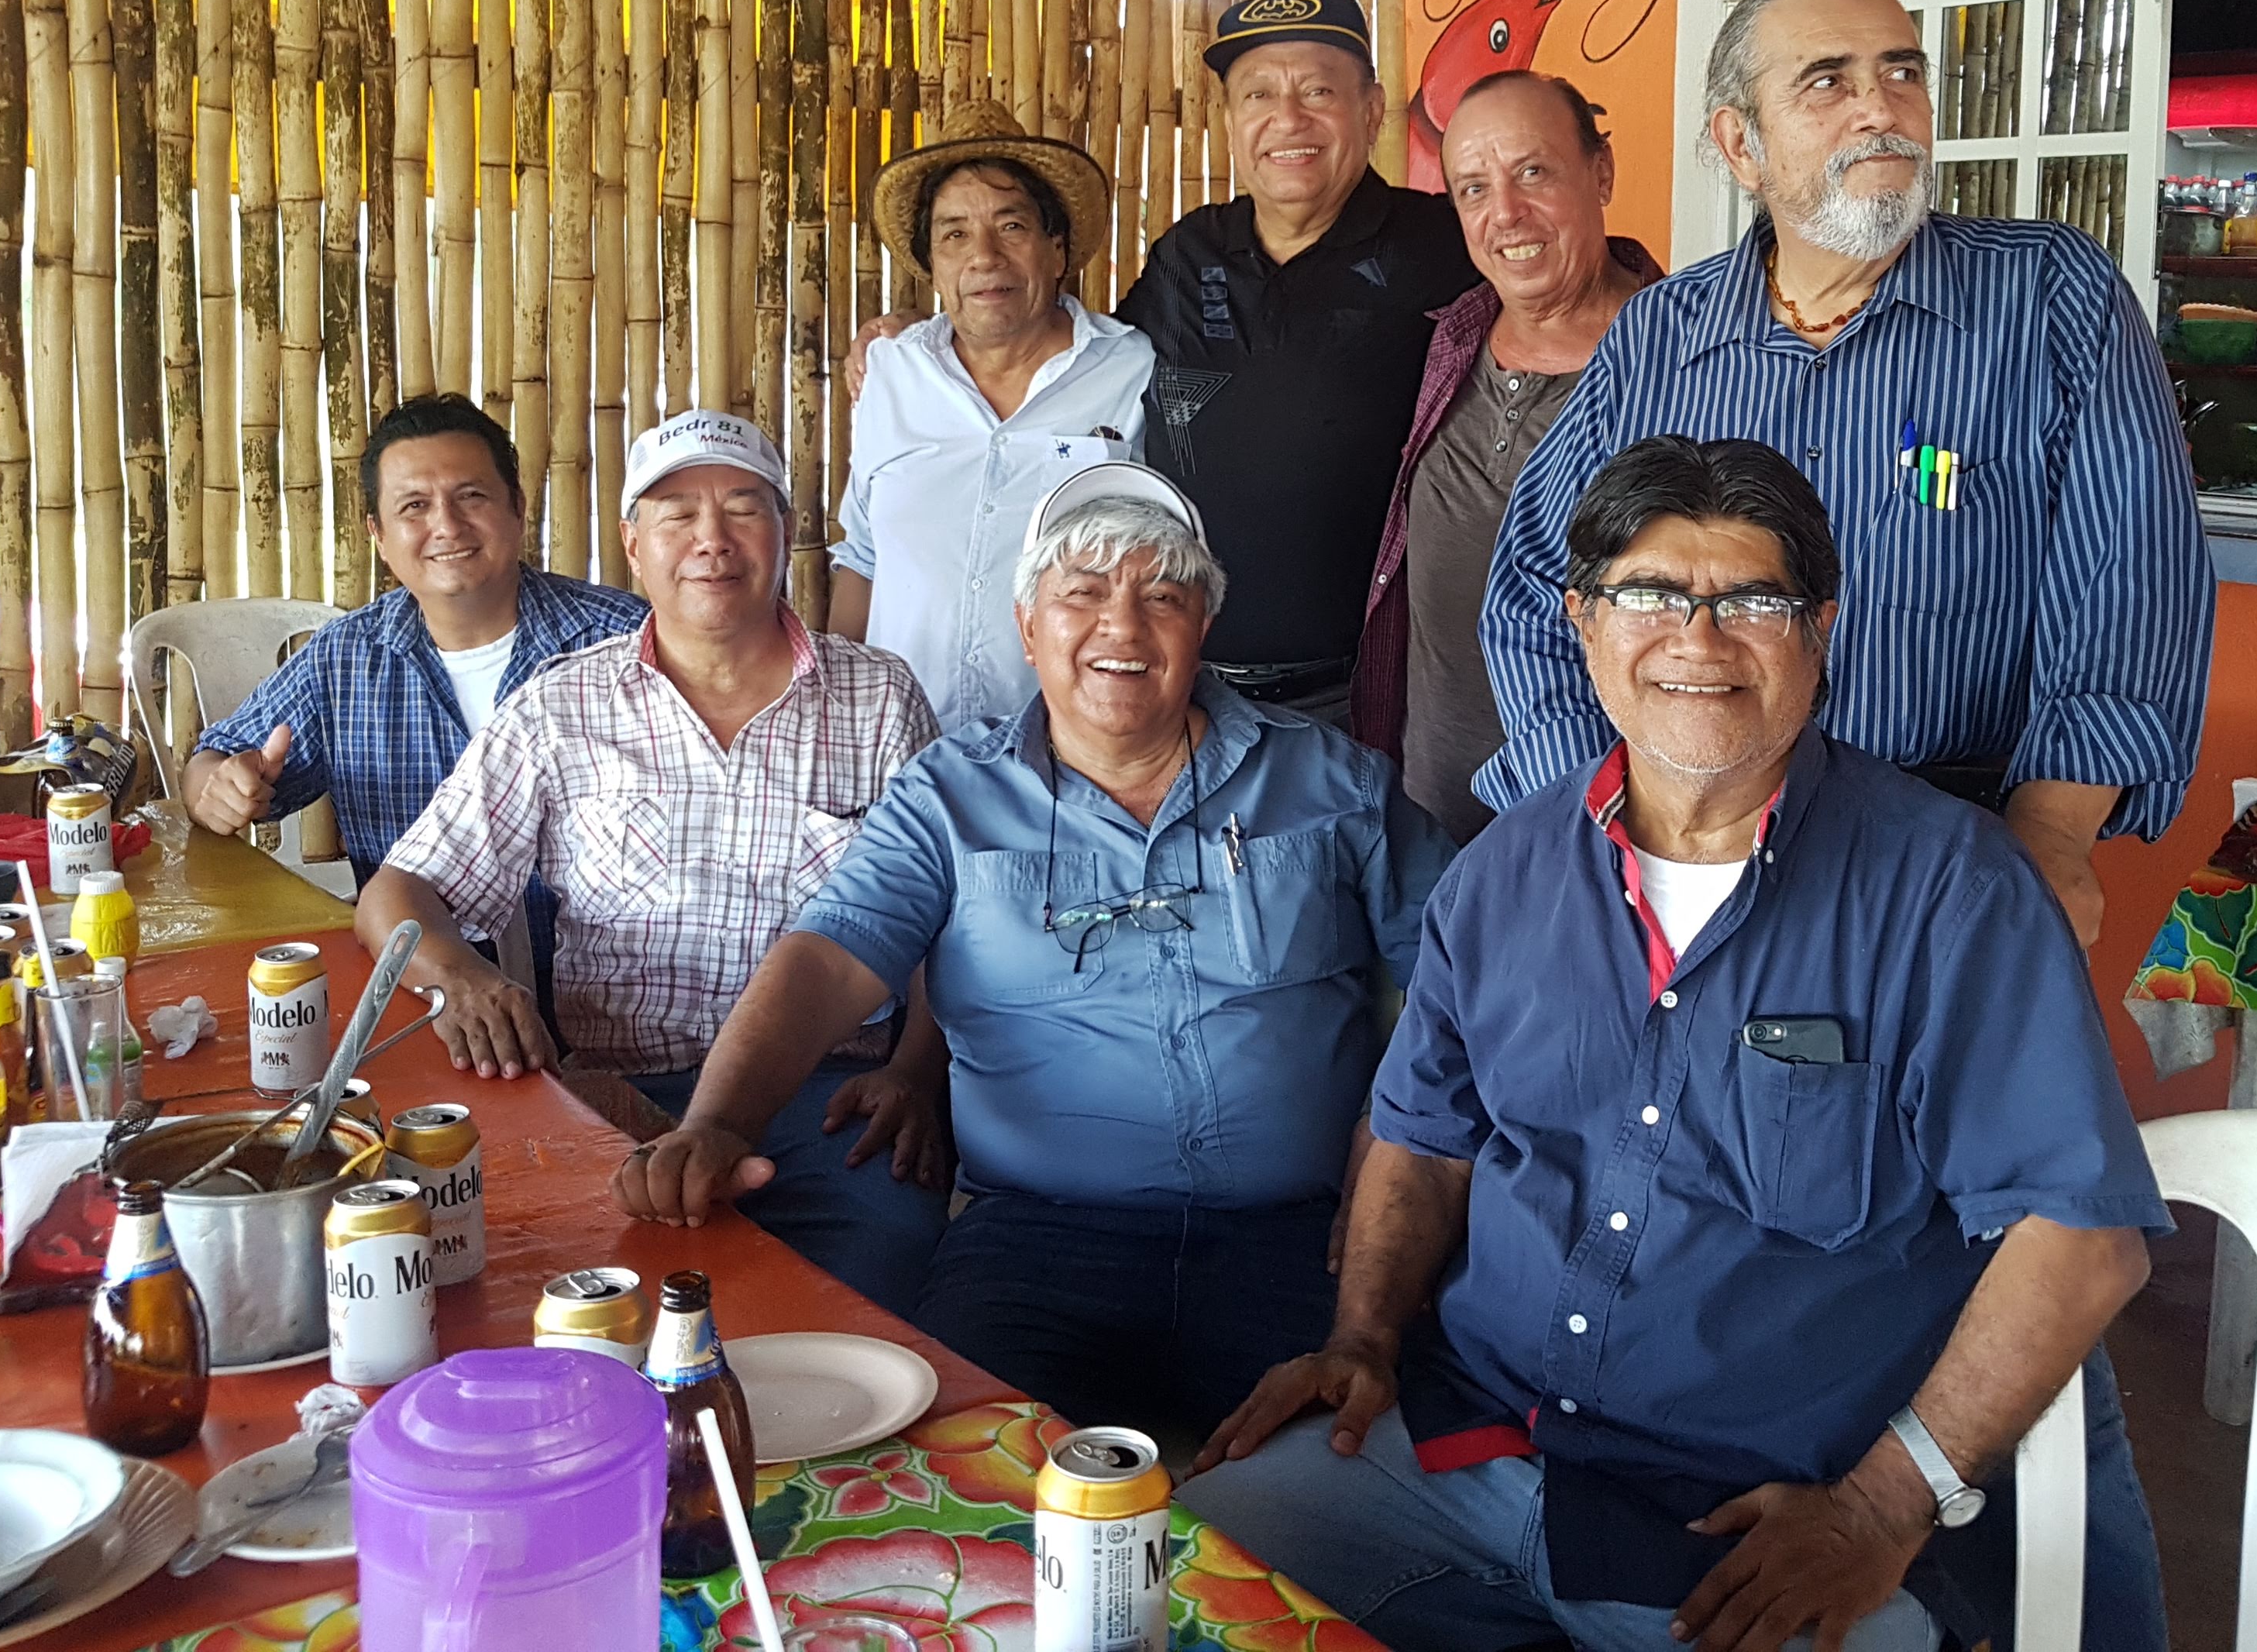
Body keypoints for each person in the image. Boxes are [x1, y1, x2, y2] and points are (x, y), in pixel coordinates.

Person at [1189, 437, 2170, 1652]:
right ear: (1584, 625)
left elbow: (2081, 1242)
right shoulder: (1503, 874)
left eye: (1752, 601)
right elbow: (1422, 1139)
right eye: (1650, 595)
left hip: (1760, 1527)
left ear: (1820, 627)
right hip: (1467, 1450)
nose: (1697, 641)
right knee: (1170, 1586)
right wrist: (1362, 1339)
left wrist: (1881, 1506)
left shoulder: (1949, 894)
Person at [616, 464, 1455, 1456]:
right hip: (1036, 1242)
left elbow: (1461, 986)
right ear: (1029, 627)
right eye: (1084, 594)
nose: (1122, 628)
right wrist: (718, 1123)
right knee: (967, 1483)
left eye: (1163, 597)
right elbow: (828, 960)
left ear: (1203, 628)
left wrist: (1385, 1147)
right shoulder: (950, 795)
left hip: (1299, 1239)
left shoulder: (1333, 781)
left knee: (1320, 1508)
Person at [1474, 0, 2214, 943]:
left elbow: (2133, 577)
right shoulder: (1660, 338)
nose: (1881, 110)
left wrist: (2053, 831)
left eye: (1902, 74)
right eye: (1828, 81)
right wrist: (1606, 807)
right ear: (1740, 144)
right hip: (1695, 853)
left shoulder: (2049, 301)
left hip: (1953, 852)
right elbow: (1535, 584)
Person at [366, 408, 954, 1316]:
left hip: (829, 1097)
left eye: (742, 509)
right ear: (634, 546)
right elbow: (398, 892)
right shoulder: (561, 709)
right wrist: (463, 980)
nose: (710, 541)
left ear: (786, 534)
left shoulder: (879, 698)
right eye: (677, 515)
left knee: (878, 1296)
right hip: (614, 1095)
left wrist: (917, 1072)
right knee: (569, 1311)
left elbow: (949, 922)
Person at [1113, 0, 1478, 724]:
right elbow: (1075, 366)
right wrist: (919, 339)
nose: (1288, 119)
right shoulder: (1188, 255)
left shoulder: (1447, 249)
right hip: (1190, 695)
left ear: (1372, 110)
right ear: (1229, 119)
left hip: (1371, 702)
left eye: (1319, 90)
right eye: (1258, 95)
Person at [1351, 71, 1659, 841]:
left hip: (1597, 824)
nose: (1506, 214)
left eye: (1533, 172)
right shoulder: (1454, 337)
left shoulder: (1680, 360)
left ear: (1602, 172)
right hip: (1429, 819)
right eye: (1474, 189)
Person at [182, 394, 647, 883]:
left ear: (518, 509)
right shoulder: (347, 658)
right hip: (411, 952)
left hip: (597, 960)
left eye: (471, 496)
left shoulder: (624, 641)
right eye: (415, 506)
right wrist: (218, 790)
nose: (447, 526)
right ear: (379, 535)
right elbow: (212, 761)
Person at [831, 100, 1155, 727]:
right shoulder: (891, 374)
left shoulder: (1134, 371)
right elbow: (864, 558)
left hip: (1070, 756)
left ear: (1056, 249)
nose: (984, 257)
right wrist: (838, 713)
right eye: (954, 234)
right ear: (933, 265)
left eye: (1012, 227)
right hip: (902, 751)